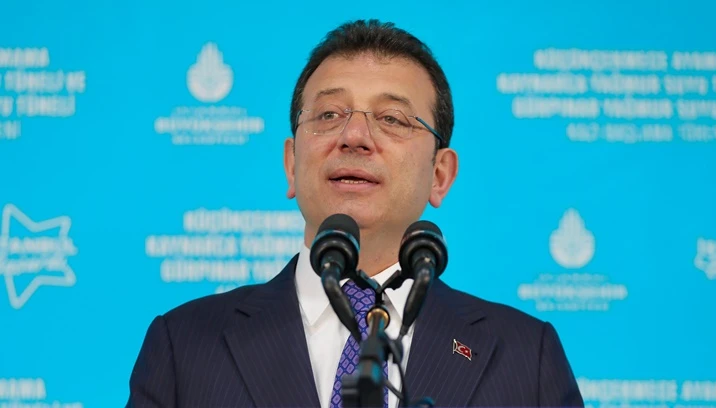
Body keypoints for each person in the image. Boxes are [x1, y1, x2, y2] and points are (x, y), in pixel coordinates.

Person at [127, 19, 584, 408]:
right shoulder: (185, 346)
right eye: (329, 114)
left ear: (440, 174)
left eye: (392, 119)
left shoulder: (526, 357)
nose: (355, 137)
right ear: (291, 164)